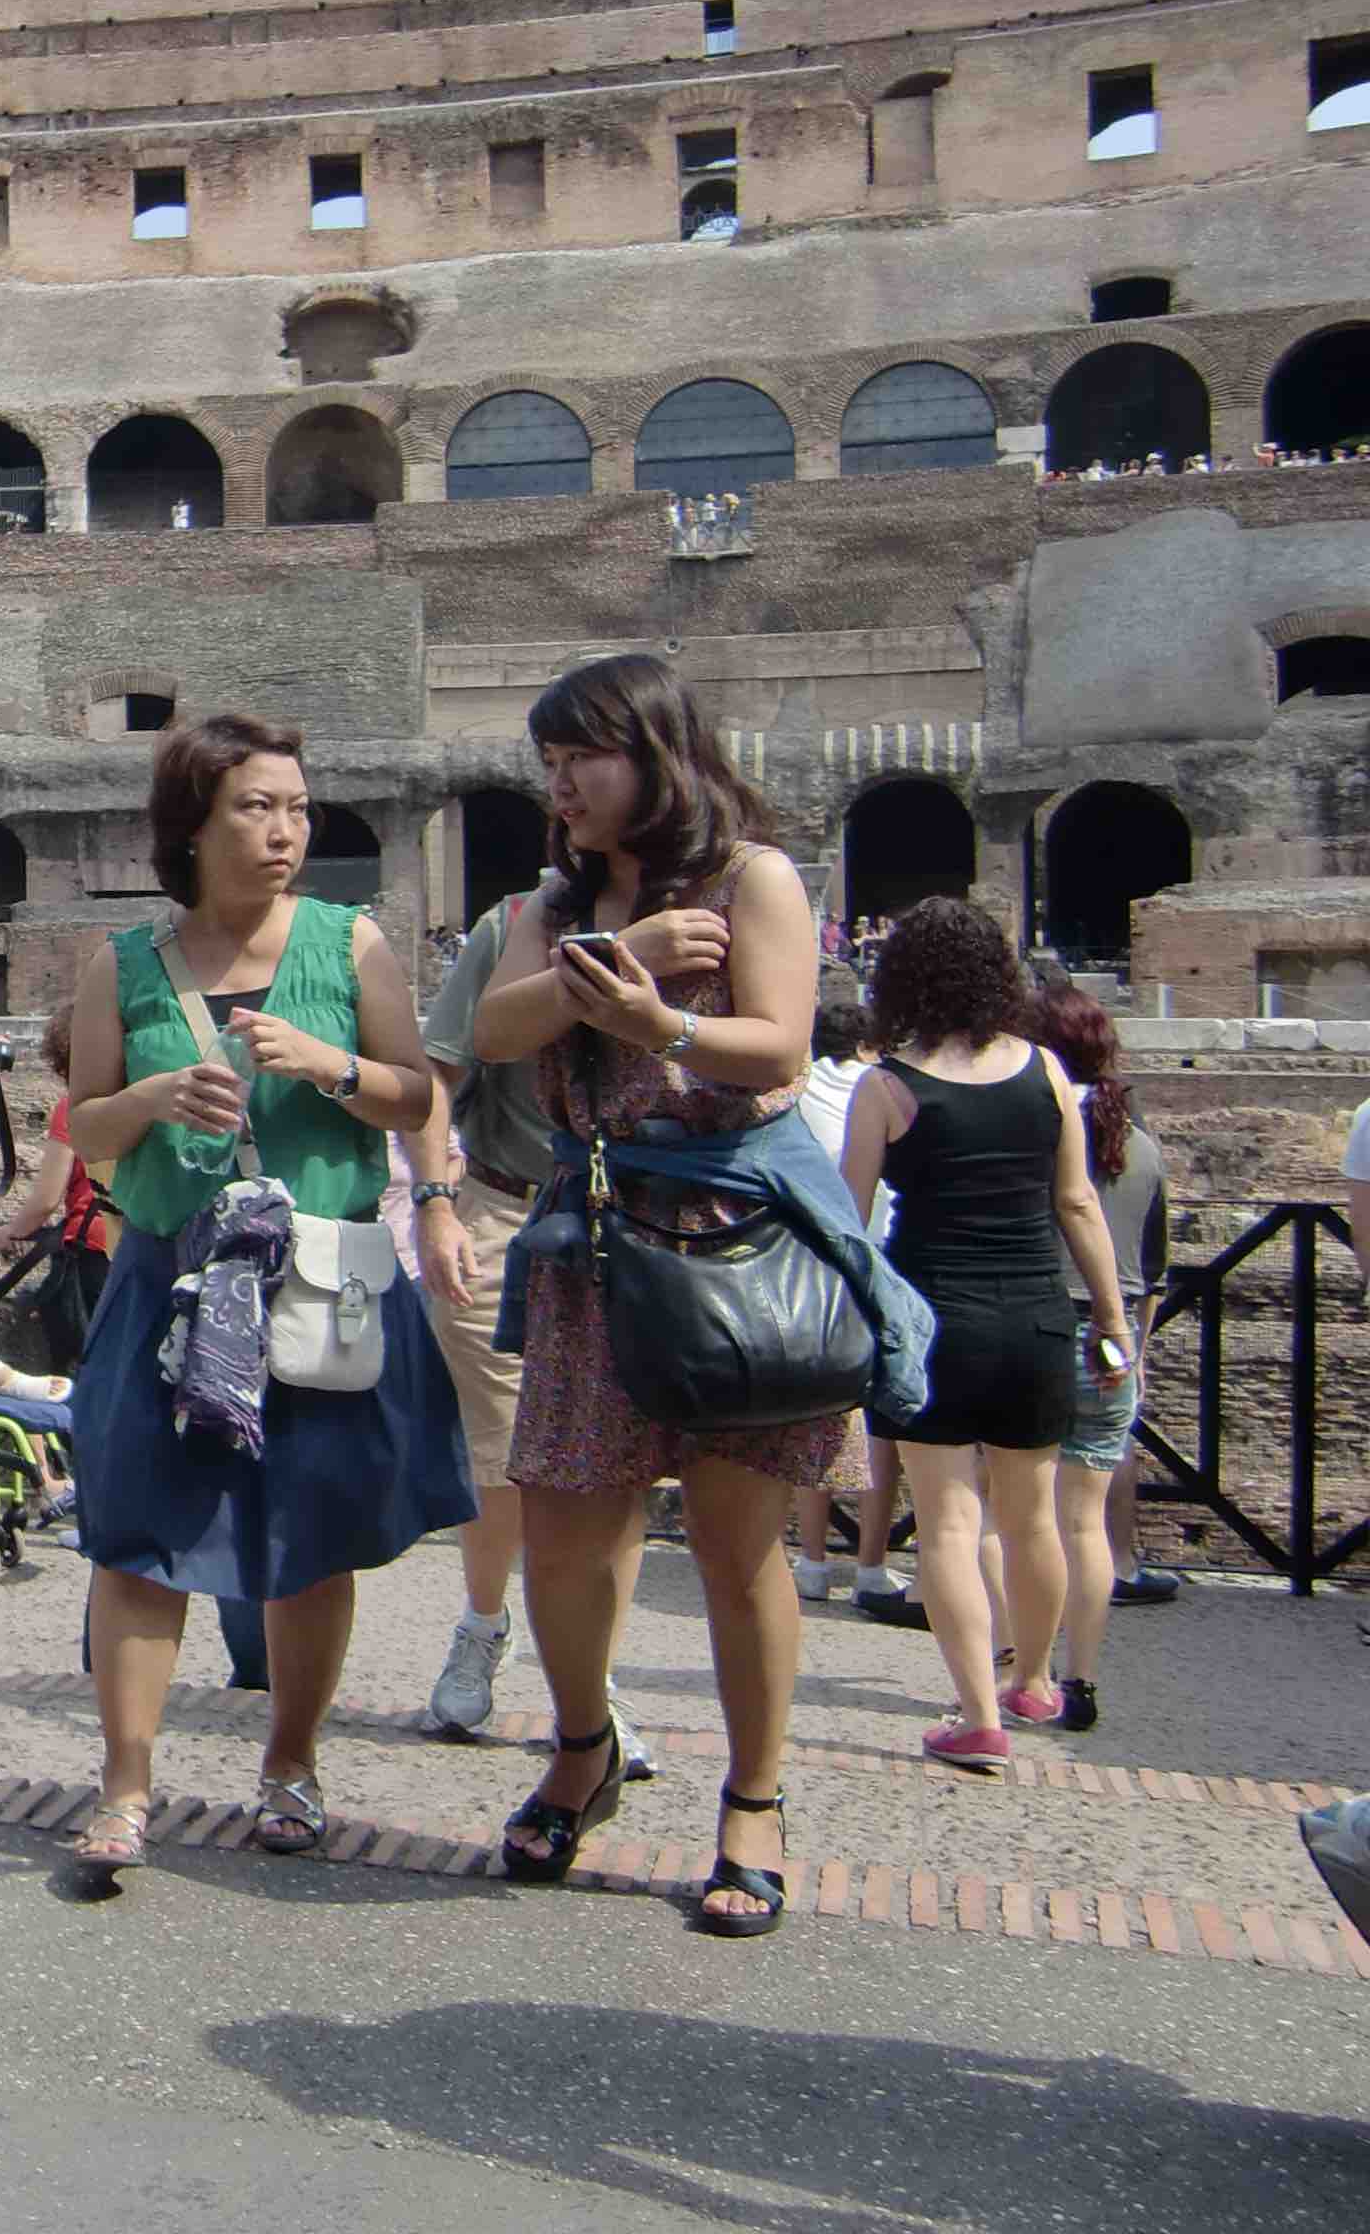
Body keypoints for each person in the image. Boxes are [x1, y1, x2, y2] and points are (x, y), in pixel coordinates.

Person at [472, 653, 879, 1938]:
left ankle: (752, 1800)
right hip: (599, 1242)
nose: (560, 785)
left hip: (735, 1240)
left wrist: (665, 1026)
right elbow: (495, 1030)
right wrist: (626, 955)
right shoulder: (563, 900)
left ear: (652, 751)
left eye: (577, 757)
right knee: (565, 1534)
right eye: (547, 764)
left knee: (734, 1541)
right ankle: (584, 1747)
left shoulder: (753, 874)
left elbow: (783, 1041)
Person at [62, 712, 475, 1877]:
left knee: (310, 1531)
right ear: (192, 823)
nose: (288, 828)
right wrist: (151, 1101)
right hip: (168, 1277)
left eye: (297, 805)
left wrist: (331, 1066)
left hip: (313, 1283)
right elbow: (85, 1124)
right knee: (138, 1533)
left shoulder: (351, 946)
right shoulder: (124, 962)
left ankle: (290, 1766)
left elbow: (412, 1097)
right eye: (258, 804)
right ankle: (126, 1785)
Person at [840, 899, 1132, 1773]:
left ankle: (976, 1714)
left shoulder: (884, 1086)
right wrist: (1112, 1321)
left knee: (948, 1524)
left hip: (935, 1322)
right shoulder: (1045, 1071)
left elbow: (849, 1224)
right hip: (1038, 1313)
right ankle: (1036, 1677)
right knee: (1033, 1515)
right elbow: (1077, 1203)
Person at [414, 885, 656, 1760]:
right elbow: (438, 1068)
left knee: (617, 1463)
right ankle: (483, 1622)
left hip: (643, 1224)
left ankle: (596, 1681)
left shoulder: (712, 917)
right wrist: (436, 1203)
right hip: (506, 1209)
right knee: (503, 1453)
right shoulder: (512, 924)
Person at [1033, 980, 1165, 1730]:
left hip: (1041, 1325)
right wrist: (1134, 1350)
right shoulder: (1141, 1144)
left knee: (1013, 1515)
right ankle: (1079, 1682)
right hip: (1112, 1342)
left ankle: (1022, 1670)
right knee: (1085, 1524)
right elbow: (1153, 1265)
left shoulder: (1032, 1125)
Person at [789, 1001, 907, 1607]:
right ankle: (870, 1568)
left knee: (820, 1416)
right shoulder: (881, 1086)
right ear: (866, 1044)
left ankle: (810, 1563)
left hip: (810, 1270)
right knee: (879, 1426)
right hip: (881, 1263)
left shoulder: (797, 1087)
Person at [0, 1019, 115, 1373]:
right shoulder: (145, 1096)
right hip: (140, 1242)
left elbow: (46, 1198)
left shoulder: (75, 1105)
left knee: (86, 1363)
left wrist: (8, 1232)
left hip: (95, 1249)